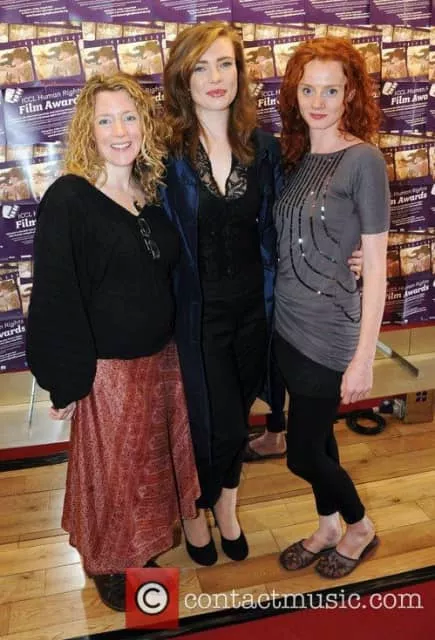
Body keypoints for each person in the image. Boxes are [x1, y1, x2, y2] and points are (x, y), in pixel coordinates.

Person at [161, 23, 362, 564]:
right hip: (197, 318)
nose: (215, 77)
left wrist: (348, 250)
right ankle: (196, 511)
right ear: (182, 77)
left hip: (258, 313)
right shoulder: (165, 152)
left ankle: (226, 507)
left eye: (225, 63)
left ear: (240, 72)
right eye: (201, 66)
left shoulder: (264, 147)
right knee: (220, 425)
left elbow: (300, 216)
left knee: (240, 419)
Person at [25, 73, 200, 610]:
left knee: (147, 471)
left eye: (129, 117)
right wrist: (63, 381)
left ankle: (139, 552)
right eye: (105, 120)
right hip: (108, 371)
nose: (119, 131)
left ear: (145, 125)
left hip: (161, 362)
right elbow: (55, 292)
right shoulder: (70, 198)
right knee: (113, 478)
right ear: (89, 130)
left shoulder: (152, 194)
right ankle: (106, 562)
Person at [275, 37, 389, 578]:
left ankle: (360, 527)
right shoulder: (296, 157)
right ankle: (327, 527)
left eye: (331, 90)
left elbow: (376, 267)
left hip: (330, 331)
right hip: (287, 327)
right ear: (295, 94)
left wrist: (364, 358)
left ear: (350, 95)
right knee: (318, 439)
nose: (318, 101)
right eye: (308, 89)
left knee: (300, 454)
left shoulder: (363, 159)